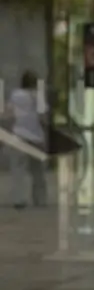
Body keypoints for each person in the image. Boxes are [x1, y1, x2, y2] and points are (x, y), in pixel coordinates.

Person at [2, 70, 48, 208]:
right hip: (35, 136)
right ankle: (40, 200)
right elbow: (43, 115)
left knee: (18, 170)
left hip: (19, 135)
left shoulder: (15, 95)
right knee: (38, 171)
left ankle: (19, 199)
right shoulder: (38, 96)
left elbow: (8, 113)